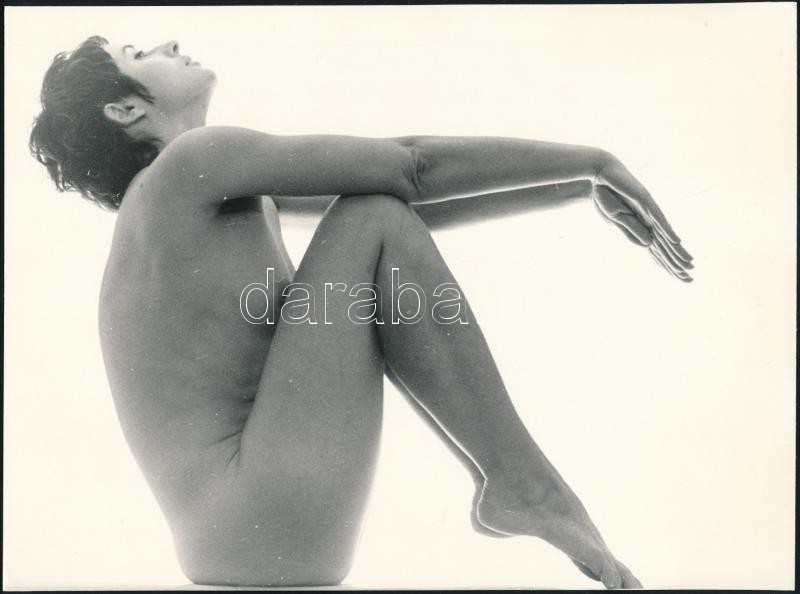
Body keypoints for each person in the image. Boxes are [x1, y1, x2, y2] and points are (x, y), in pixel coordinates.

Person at [29, 36, 693, 589]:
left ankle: (511, 479)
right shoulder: (190, 165)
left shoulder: (187, 203)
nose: (169, 43)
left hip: (245, 537)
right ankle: (523, 483)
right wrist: (596, 163)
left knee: (376, 215)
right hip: (262, 508)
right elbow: (409, 168)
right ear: (124, 108)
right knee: (372, 213)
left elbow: (408, 202)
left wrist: (574, 187)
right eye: (139, 53)